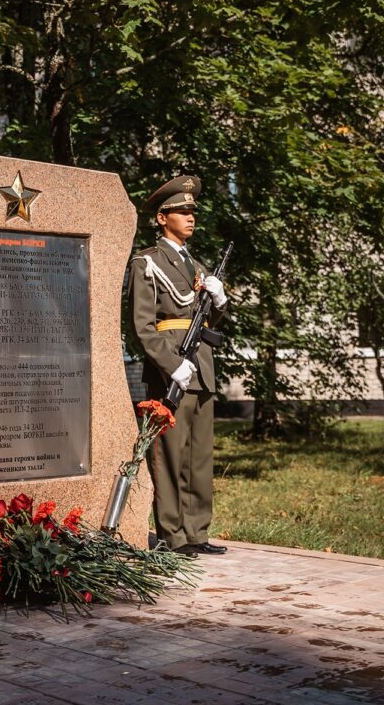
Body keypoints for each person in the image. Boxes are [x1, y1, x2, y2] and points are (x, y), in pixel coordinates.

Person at [127, 175, 230, 557]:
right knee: (169, 454)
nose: (190, 217)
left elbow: (206, 323)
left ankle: (197, 530)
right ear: (161, 217)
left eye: (192, 212)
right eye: (181, 211)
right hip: (173, 367)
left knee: (199, 454)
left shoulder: (199, 266)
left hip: (201, 365)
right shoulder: (148, 263)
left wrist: (219, 302)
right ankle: (173, 534)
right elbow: (143, 325)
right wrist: (171, 364)